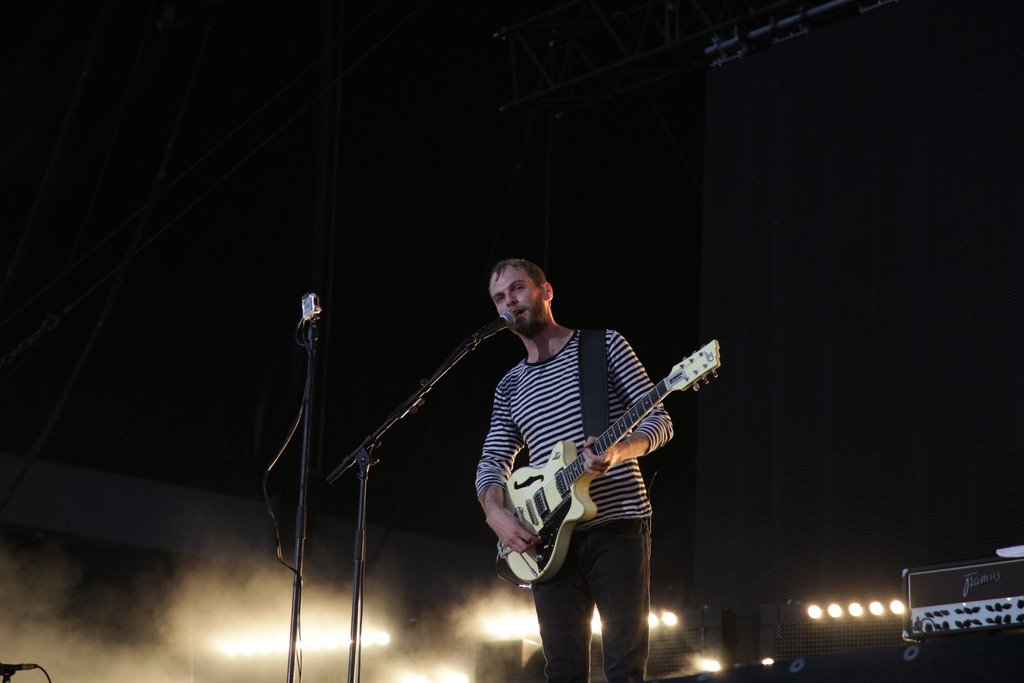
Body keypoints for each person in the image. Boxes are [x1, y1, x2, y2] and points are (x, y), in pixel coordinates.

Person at [474, 257, 674, 683]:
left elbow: (660, 423)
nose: (510, 301)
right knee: (562, 672)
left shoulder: (604, 346)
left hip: (617, 525)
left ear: (546, 292)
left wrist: (618, 452)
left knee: (623, 668)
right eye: (499, 297)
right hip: (547, 540)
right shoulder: (509, 386)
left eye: (518, 288)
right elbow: (492, 461)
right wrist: (496, 513)